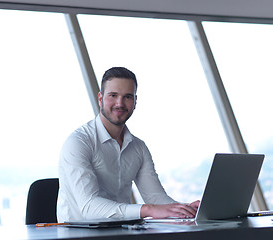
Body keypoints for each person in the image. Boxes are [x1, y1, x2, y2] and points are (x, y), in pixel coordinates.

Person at [57, 67, 200, 222]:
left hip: (121, 232)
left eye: (127, 97)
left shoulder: (138, 147)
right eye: (113, 95)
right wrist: (147, 209)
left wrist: (184, 209)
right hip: (78, 234)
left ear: (135, 101)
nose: (120, 103)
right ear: (100, 98)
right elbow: (89, 207)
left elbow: (155, 197)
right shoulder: (78, 143)